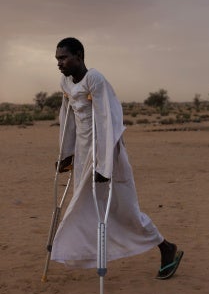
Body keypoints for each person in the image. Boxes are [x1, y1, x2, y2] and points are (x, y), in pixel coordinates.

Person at [50, 37, 183, 279]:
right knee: (85, 207)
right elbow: (67, 119)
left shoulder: (95, 79)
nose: (59, 63)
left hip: (106, 155)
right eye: (57, 58)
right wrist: (65, 154)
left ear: (79, 56)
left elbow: (106, 120)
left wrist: (104, 165)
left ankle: (166, 247)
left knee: (123, 210)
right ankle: (81, 253)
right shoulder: (66, 82)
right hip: (83, 156)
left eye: (64, 57)